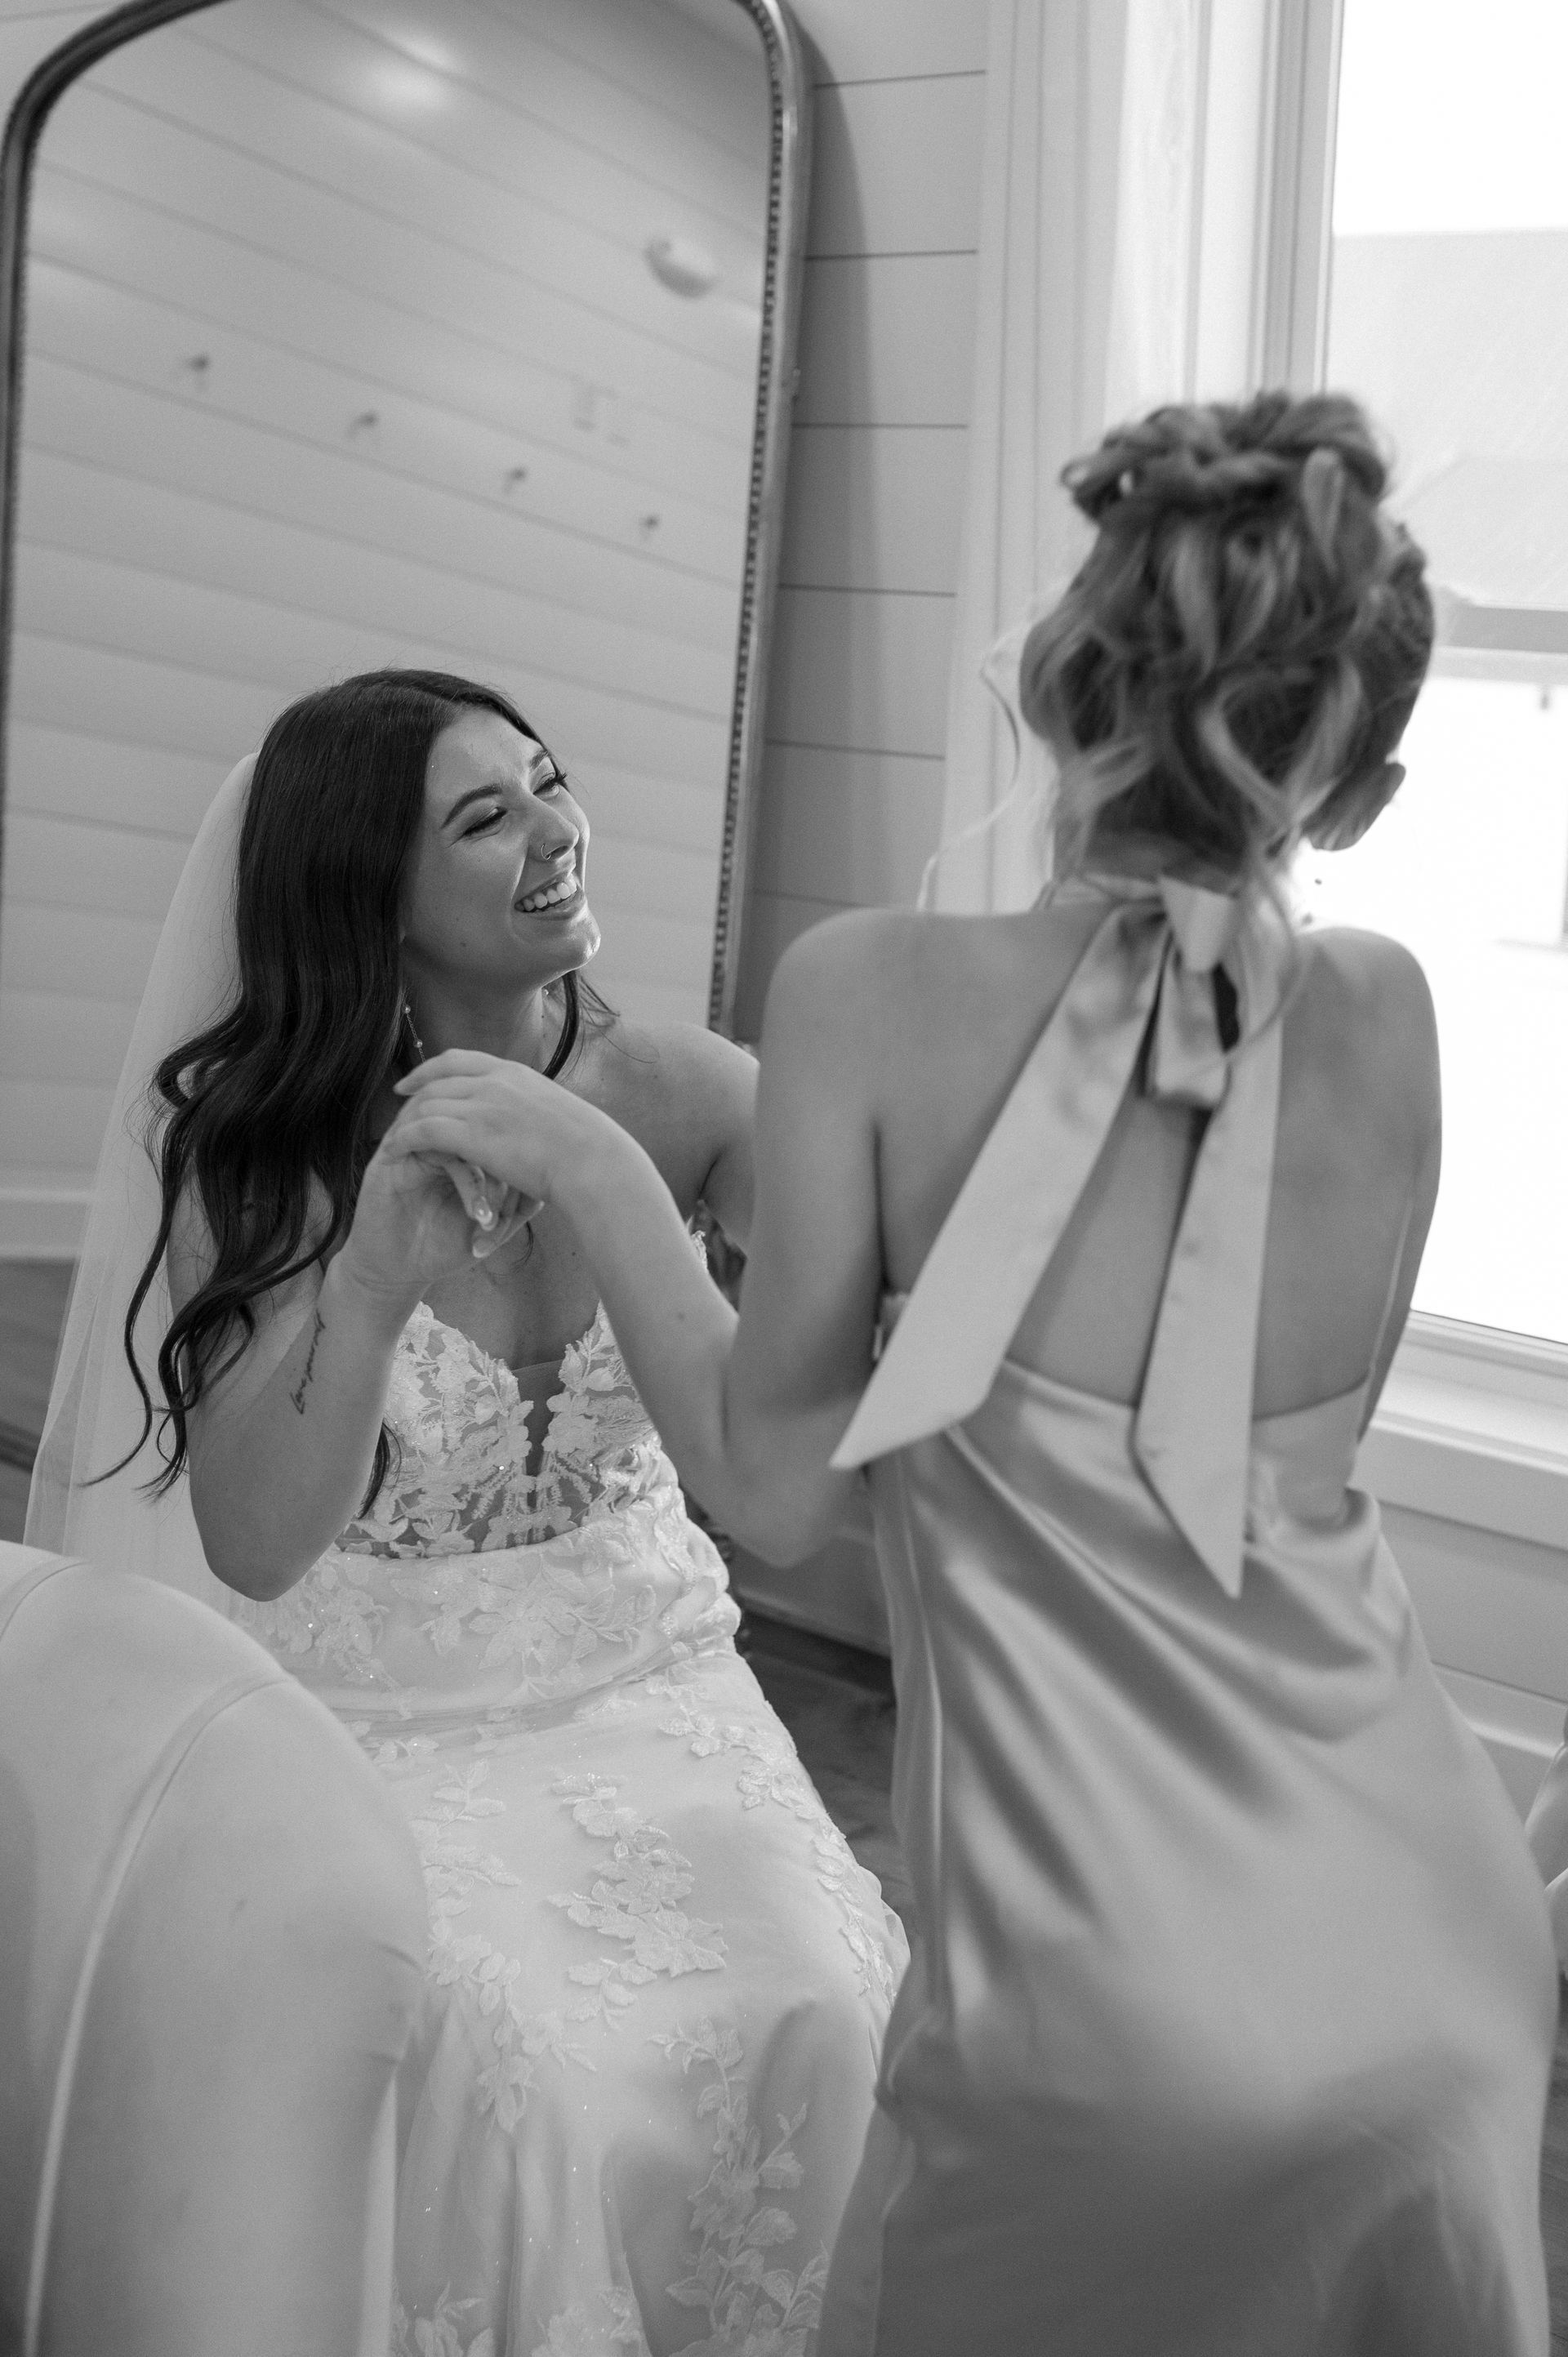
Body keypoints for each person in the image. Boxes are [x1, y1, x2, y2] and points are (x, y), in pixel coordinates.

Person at [388, 396, 1559, 2354]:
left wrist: (595, 1164)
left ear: (1058, 681)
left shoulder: (870, 991)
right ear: (1359, 793)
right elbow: (1247, 1494)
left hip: (1106, 2007)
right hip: (1436, 1953)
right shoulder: (1389, 1011)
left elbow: (780, 1493)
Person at [27, 669, 906, 2357]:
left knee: (832, 1995)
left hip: (655, 1679)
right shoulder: (260, 1145)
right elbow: (255, 1544)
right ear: (372, 897)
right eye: (485, 817)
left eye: (549, 782)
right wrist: (368, 1281)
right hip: (389, 1722)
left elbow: (798, 1468)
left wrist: (609, 1169)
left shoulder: (693, 1093)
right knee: (533, 2074)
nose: (555, 831)